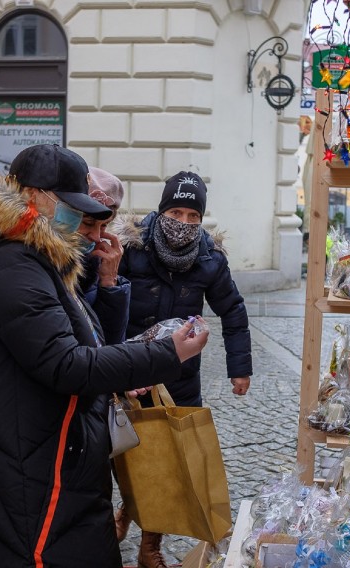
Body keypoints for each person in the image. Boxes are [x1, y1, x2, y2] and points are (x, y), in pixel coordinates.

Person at [0, 144, 209, 567]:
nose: (87, 228)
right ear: (33, 197)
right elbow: (66, 364)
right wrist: (165, 354)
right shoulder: (10, 262)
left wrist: (124, 366)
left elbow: (85, 346)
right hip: (25, 473)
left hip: (47, 458)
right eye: (74, 210)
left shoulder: (37, 258)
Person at [0, 163, 130, 561]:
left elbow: (92, 339)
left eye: (103, 224)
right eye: (85, 221)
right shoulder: (5, 253)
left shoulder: (68, 252)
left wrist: (109, 283)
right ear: (44, 201)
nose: (94, 235)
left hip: (44, 422)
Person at [115, 170, 252, 567]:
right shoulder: (131, 249)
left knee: (167, 459)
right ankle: (127, 508)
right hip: (129, 371)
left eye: (194, 216)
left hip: (179, 377)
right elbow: (103, 300)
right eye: (177, 211)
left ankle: (149, 547)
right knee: (124, 452)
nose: (185, 223)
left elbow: (234, 311)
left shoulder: (209, 259)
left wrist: (238, 368)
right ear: (161, 212)